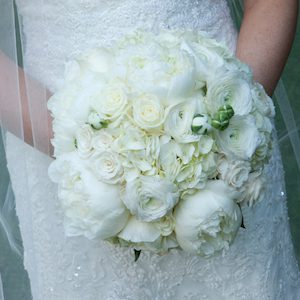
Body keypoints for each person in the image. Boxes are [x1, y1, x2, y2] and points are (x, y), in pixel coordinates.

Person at [0, 0, 299, 299]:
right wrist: (84, 148)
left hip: (222, 127)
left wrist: (230, 122)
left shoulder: (228, 126)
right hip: (54, 141)